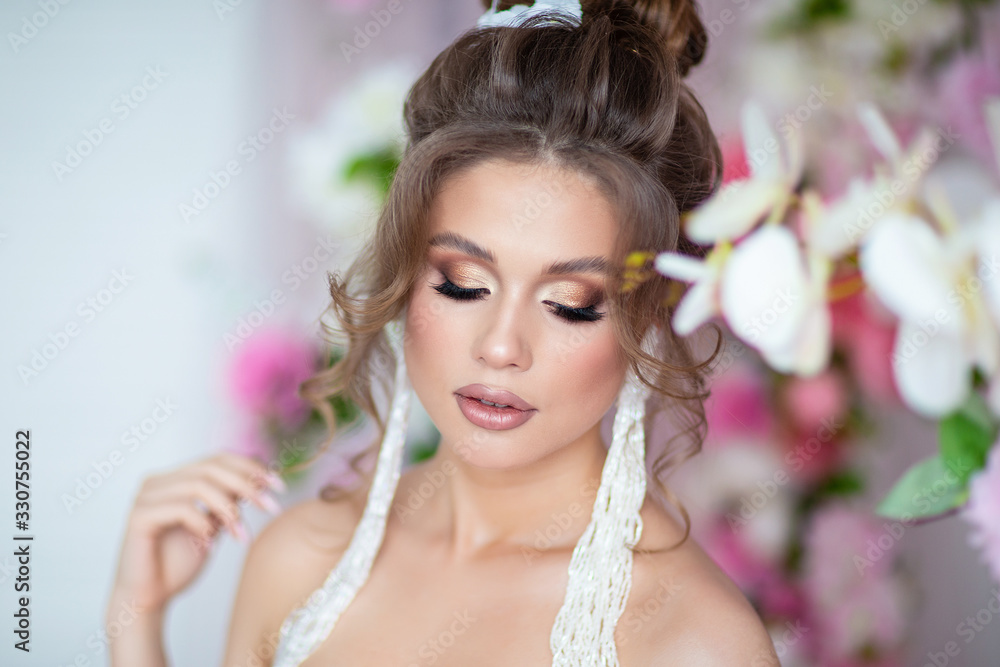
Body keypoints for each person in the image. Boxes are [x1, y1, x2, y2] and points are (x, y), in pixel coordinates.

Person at [106, 0, 781, 664]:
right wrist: (136, 618)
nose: (500, 346)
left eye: (570, 304)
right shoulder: (298, 560)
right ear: (406, 273)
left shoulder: (694, 640)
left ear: (650, 313)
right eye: (462, 284)